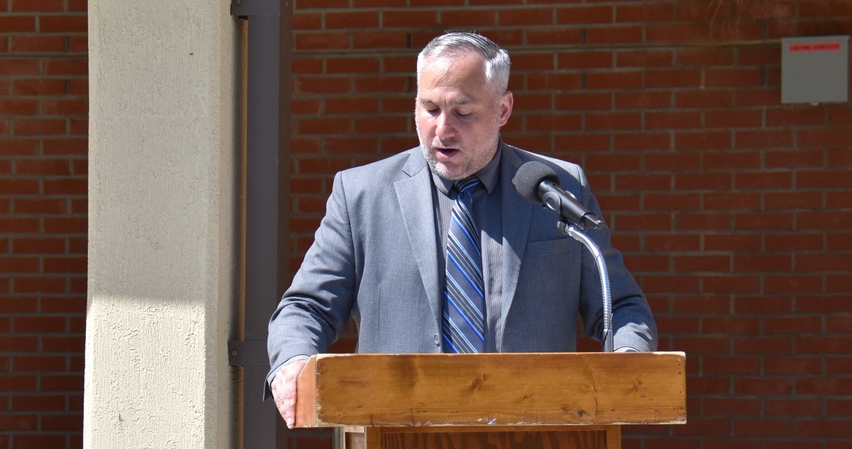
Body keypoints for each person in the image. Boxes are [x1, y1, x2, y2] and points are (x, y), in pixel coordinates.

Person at [267, 31, 656, 428]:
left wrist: (628, 360)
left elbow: (620, 306)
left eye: (462, 112)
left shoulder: (558, 189)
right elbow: (306, 308)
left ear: (503, 109)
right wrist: (293, 360)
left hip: (535, 448)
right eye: (430, 108)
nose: (442, 129)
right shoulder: (362, 195)